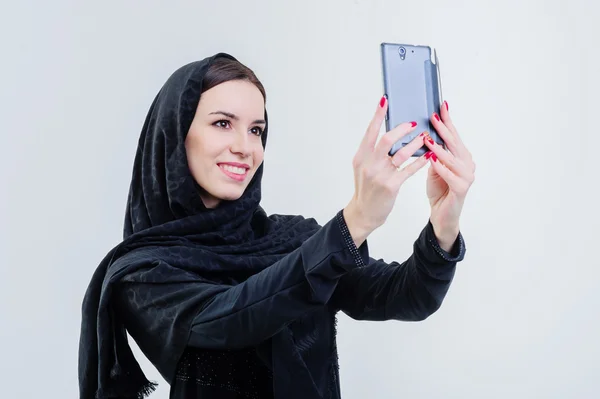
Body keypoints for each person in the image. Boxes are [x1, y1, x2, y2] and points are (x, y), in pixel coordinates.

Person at [78, 52, 474, 399]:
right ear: (175, 134)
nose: (245, 146)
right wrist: (354, 222)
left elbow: (405, 297)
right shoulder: (143, 272)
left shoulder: (295, 239)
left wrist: (444, 224)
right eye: (222, 124)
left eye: (256, 129)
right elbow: (235, 318)